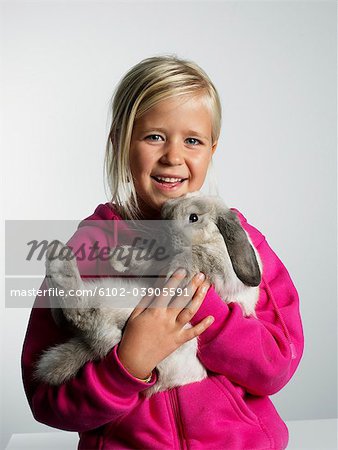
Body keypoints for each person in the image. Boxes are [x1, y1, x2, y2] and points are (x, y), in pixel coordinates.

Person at [21, 55, 304, 450]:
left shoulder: (240, 238)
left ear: (211, 149)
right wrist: (129, 363)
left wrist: (202, 312)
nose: (173, 156)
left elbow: (276, 364)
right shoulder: (86, 250)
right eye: (154, 136)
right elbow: (46, 398)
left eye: (192, 140)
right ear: (119, 142)